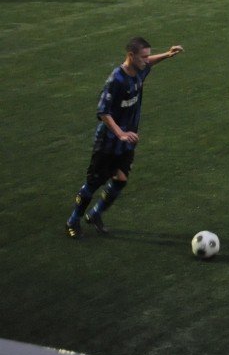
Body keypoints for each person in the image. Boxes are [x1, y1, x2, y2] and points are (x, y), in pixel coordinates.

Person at [65, 38, 184, 238]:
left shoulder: (139, 70)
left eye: (147, 56)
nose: (146, 60)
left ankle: (95, 214)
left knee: (120, 179)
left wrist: (167, 54)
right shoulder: (116, 80)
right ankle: (73, 220)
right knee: (94, 183)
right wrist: (120, 133)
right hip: (108, 142)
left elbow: (150, 63)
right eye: (143, 57)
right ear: (131, 56)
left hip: (127, 141)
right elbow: (103, 112)